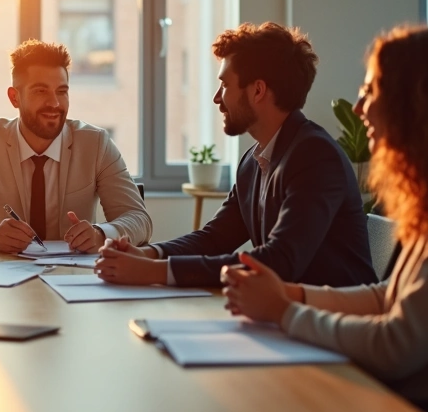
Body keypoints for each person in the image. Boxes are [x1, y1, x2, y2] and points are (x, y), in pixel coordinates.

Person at [222, 26, 428, 404]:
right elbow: (388, 297)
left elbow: (396, 345)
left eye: (371, 91)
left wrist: (283, 311)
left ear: (419, 103)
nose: (358, 108)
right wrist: (291, 294)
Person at [95, 22, 376, 287]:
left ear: (258, 90)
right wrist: (148, 254)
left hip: (334, 317)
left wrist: (152, 271)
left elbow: (279, 262)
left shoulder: (315, 156)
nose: (217, 98)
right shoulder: (254, 161)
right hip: (286, 314)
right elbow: (214, 239)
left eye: (225, 85)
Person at [0, 40, 152, 253]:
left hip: (75, 273)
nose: (54, 103)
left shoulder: (96, 144)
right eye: (41, 91)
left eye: (61, 91)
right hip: (5, 269)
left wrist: (101, 234)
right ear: (14, 98)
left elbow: (139, 219)